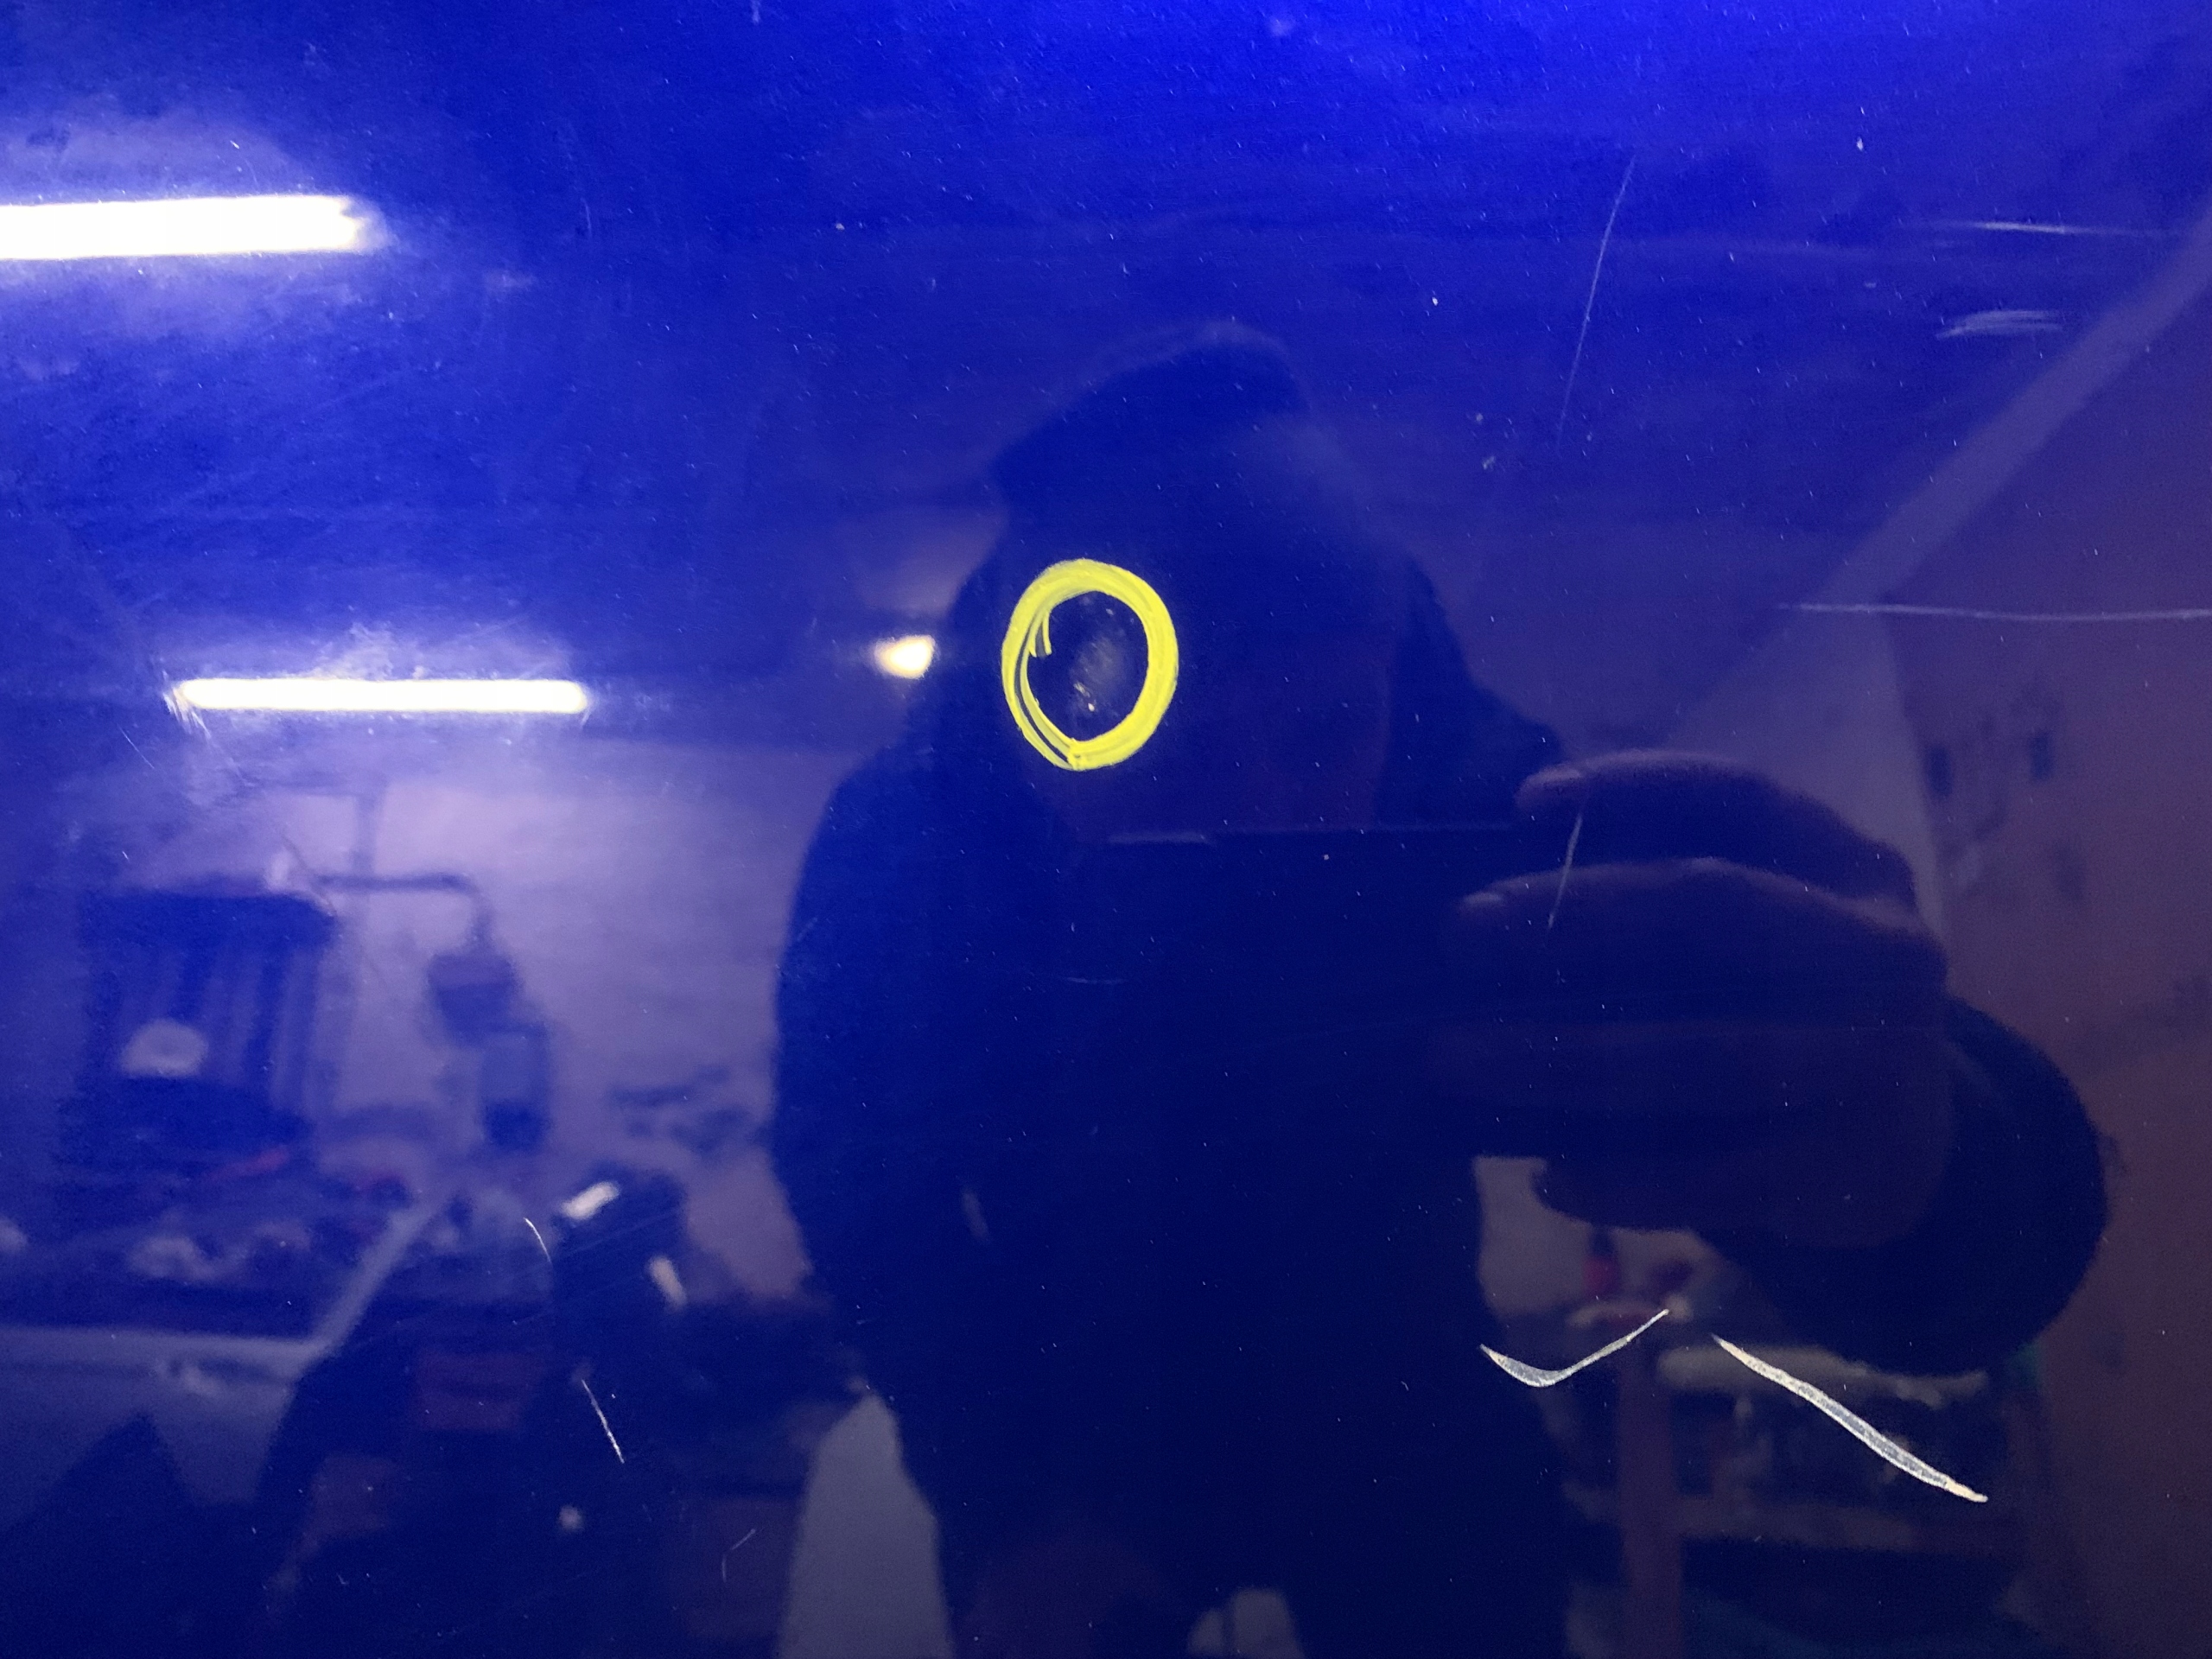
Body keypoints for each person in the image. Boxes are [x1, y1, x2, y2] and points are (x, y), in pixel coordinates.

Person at [772, 331, 2105, 1658]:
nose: (1260, 810)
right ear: (1044, 719)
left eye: (1320, 731)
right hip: (1069, 1418)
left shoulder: (1459, 779)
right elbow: (855, 1180)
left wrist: (1929, 1156)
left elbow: (1705, 1016)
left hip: (1391, 1397)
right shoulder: (914, 836)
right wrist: (1006, 1500)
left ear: (1386, 685)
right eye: (1165, 737)